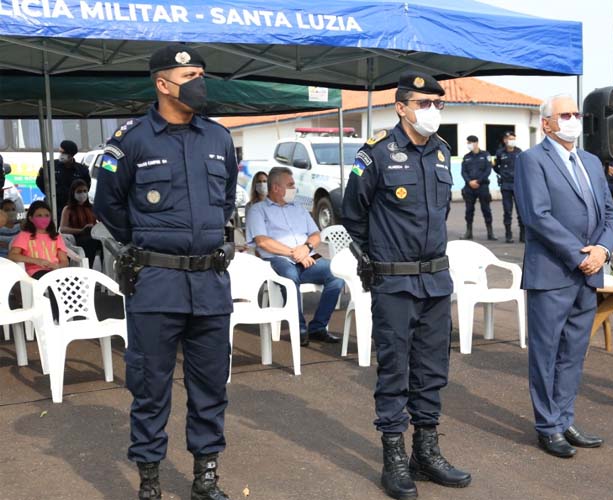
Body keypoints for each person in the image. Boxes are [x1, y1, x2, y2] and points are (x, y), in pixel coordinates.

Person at [93, 44, 238, 500]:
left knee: (211, 387)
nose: (200, 81)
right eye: (191, 73)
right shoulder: (131, 139)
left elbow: (228, 199)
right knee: (150, 388)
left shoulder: (217, 138)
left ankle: (205, 478)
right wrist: (151, 241)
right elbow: (108, 206)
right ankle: (151, 482)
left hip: (211, 283)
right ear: (163, 83)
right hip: (156, 283)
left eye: (202, 73)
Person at [342, 71, 471, 500]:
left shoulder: (441, 152)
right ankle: (394, 456)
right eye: (424, 103)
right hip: (394, 283)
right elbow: (353, 215)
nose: (432, 111)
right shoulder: (376, 153)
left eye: (438, 104)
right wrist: (373, 261)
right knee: (395, 371)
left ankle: (426, 451)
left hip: (435, 280)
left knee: (433, 371)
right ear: (401, 107)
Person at [514, 94, 613, 459]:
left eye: (577, 114)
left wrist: (603, 250)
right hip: (553, 273)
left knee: (574, 352)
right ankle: (547, 426)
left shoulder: (590, 161)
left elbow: (609, 212)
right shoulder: (531, 161)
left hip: (588, 273)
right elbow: (538, 216)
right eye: (565, 114)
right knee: (546, 352)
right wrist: (579, 257)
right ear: (546, 123)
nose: (573, 119)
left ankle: (564, 417)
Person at [246, 166, 343, 346]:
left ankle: (318, 327)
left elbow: (315, 235)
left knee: (337, 275)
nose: (294, 188)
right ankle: (299, 329)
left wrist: (305, 248)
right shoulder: (258, 210)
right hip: (278, 260)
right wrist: (295, 253)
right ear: (276, 188)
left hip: (306, 257)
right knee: (290, 278)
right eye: (290, 185)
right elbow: (263, 242)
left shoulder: (298, 208)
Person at [7, 201, 69, 278]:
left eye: (47, 215)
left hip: (56, 272)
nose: (44, 218)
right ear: (31, 218)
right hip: (35, 273)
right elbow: (12, 255)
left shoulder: (56, 236)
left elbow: (64, 261)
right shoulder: (24, 235)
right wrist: (37, 261)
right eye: (39, 215)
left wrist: (58, 266)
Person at [36, 139, 90, 221]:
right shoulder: (50, 166)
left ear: (71, 155)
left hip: (73, 208)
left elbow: (86, 187)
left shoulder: (82, 170)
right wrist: (51, 194)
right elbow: (40, 182)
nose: (61, 155)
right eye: (60, 152)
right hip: (54, 205)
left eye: (63, 153)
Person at [460, 135, 496, 241]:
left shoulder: (485, 155)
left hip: (482, 186)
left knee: (486, 210)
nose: (468, 145)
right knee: (469, 210)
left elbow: (488, 170)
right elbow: (463, 171)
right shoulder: (466, 157)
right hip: (469, 188)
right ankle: (468, 232)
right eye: (468, 143)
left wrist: (478, 181)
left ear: (476, 143)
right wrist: (469, 181)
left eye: (470, 143)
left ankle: (490, 233)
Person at [60, 179, 101, 268]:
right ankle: (87, 268)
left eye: (85, 191)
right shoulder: (68, 209)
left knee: (107, 243)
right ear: (73, 193)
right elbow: (63, 228)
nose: (82, 194)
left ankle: (106, 270)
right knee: (90, 242)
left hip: (93, 236)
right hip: (76, 238)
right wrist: (81, 230)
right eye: (79, 191)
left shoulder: (91, 207)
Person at [493, 131, 524, 243]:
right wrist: (503, 174)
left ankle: (523, 235)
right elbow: (496, 167)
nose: (511, 140)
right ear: (505, 140)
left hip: (518, 185)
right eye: (509, 138)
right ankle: (508, 234)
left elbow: (523, 167)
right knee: (507, 211)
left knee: (521, 211)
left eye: (513, 138)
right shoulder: (500, 153)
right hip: (506, 185)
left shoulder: (519, 152)